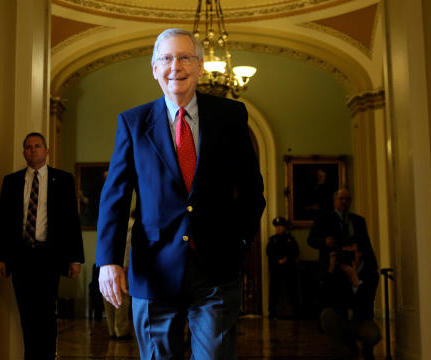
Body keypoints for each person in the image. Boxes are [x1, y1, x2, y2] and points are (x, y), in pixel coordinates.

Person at [96, 28, 266, 359]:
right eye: (167, 58)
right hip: (153, 270)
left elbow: (252, 190)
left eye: (185, 57)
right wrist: (109, 260)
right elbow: (115, 197)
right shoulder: (133, 123)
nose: (176, 66)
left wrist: (240, 241)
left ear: (200, 66)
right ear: (154, 68)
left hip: (216, 269)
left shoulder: (230, 116)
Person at [0, 132, 85, 360]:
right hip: (21, 256)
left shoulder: (62, 180)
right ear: (24, 152)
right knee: (27, 315)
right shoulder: (12, 181)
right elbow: (3, 221)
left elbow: (72, 220)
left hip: (49, 257)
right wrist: (0, 257)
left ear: (46, 151)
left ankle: (47, 356)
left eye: (37, 146)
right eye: (28, 147)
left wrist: (75, 258)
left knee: (45, 315)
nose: (32, 150)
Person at [319, 236, 381, 360]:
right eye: (344, 252)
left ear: (360, 253)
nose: (348, 257)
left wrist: (355, 280)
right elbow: (325, 297)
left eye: (351, 253)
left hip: (362, 320)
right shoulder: (337, 271)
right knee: (327, 314)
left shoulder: (371, 273)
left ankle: (366, 350)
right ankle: (340, 353)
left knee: (373, 334)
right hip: (342, 318)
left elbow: (366, 301)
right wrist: (330, 269)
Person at [307, 188, 375, 275]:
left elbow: (366, 243)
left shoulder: (358, 220)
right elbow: (310, 240)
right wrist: (324, 241)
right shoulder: (323, 219)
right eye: (341, 198)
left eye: (347, 199)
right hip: (333, 267)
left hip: (356, 268)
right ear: (334, 201)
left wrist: (372, 266)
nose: (344, 202)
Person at [102, 211, 135, 341]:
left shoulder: (112, 222)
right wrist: (126, 265)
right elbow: (128, 246)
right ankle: (121, 330)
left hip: (107, 265)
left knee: (109, 296)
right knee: (122, 297)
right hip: (122, 266)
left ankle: (112, 330)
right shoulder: (132, 225)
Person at [266, 217, 299, 319]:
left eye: (281, 226)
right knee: (274, 291)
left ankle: (296, 312)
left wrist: (287, 259)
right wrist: (277, 261)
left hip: (289, 269)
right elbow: (269, 253)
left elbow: (295, 252)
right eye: (277, 227)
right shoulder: (272, 240)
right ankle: (272, 312)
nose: (279, 229)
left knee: (292, 291)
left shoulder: (290, 239)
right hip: (276, 270)